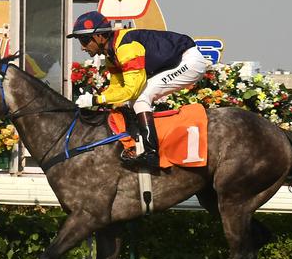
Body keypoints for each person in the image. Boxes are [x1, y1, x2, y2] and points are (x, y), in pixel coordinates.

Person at [67, 11, 209, 169]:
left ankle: (151, 153)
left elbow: (131, 90)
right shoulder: (111, 55)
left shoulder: (126, 48)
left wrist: (96, 100)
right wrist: (98, 97)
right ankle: (137, 145)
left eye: (85, 40)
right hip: (176, 61)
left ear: (100, 37)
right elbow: (117, 87)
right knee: (131, 101)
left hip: (190, 62)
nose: (82, 47)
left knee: (141, 96)